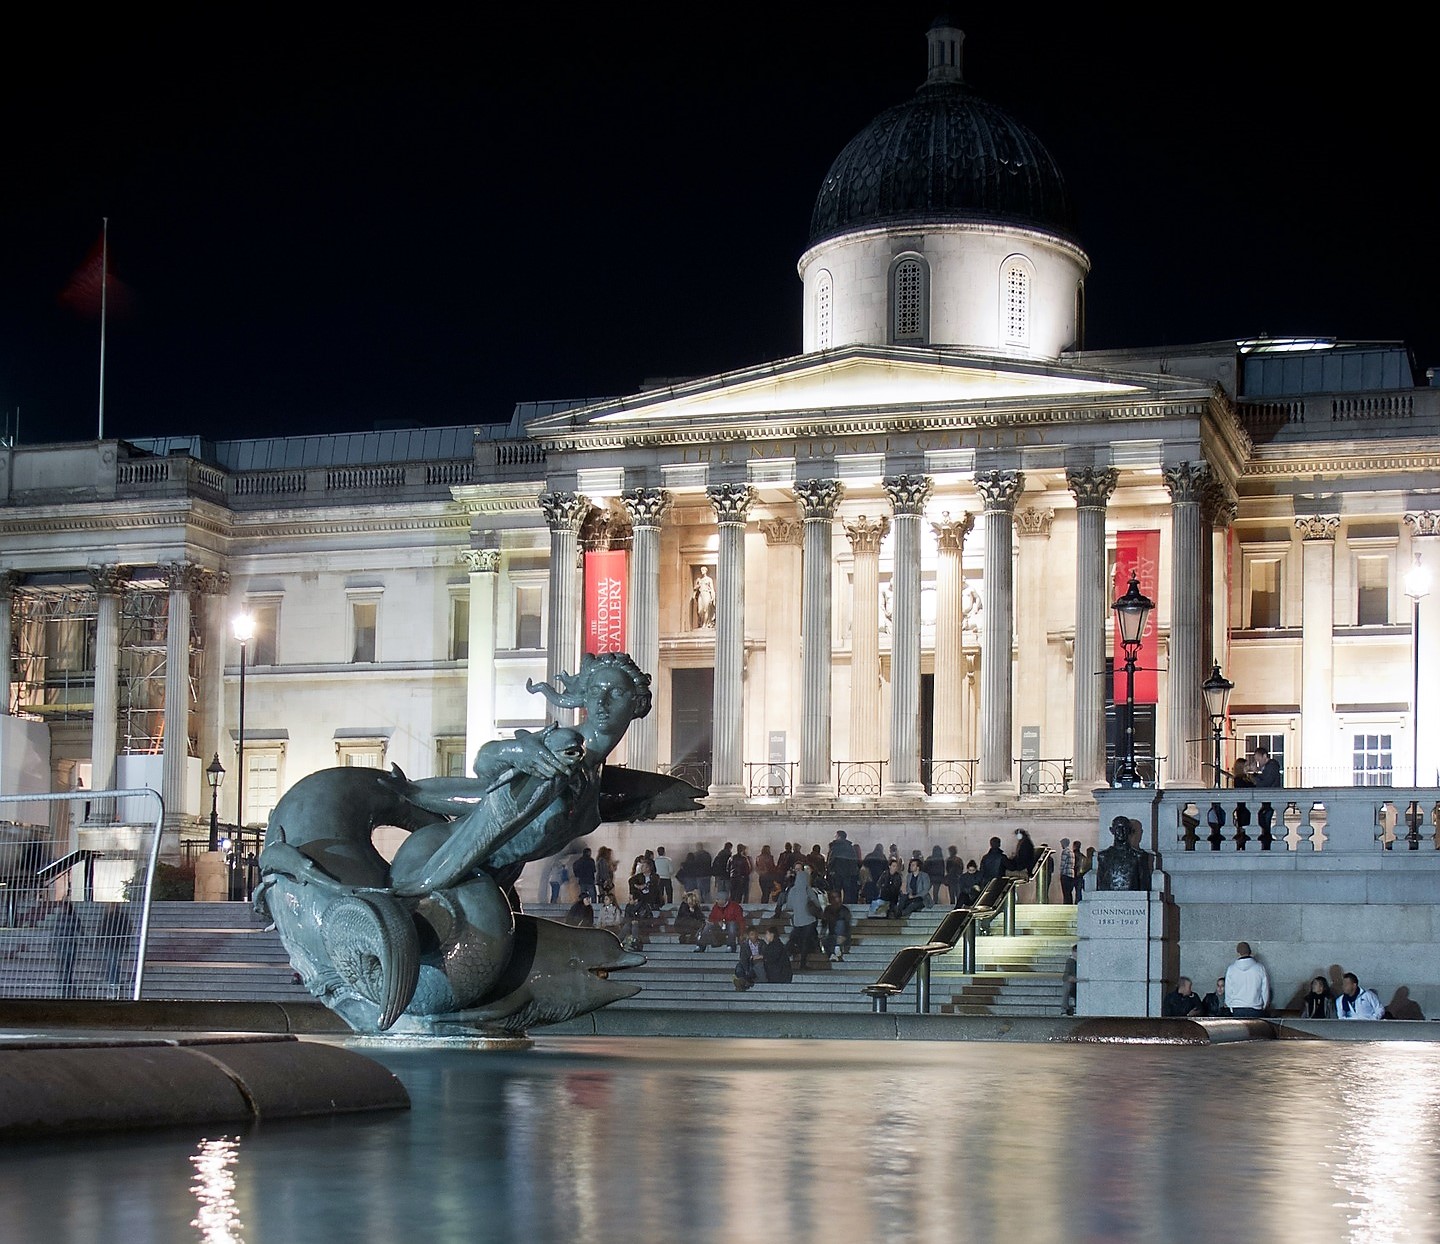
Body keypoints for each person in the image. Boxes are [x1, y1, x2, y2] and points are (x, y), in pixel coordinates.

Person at [781, 864, 821, 968]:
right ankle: (803, 962)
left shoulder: (793, 890)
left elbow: (789, 905)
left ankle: (783, 958)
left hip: (797, 921)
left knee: (793, 939)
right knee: (806, 941)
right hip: (809, 920)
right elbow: (816, 904)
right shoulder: (808, 890)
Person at [1224, 941, 1270, 1017]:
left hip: (1237, 1008)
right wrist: (1264, 1005)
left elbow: (1228, 991)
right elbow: (1265, 990)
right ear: (1250, 951)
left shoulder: (1231, 969)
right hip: (1255, 1007)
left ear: (1238, 952)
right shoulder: (1259, 968)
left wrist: (1230, 1006)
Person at [98, 902, 131, 991]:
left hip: (114, 943)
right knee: (113, 963)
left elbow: (102, 930)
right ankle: (113, 981)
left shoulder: (113, 917)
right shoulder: (111, 917)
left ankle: (113, 982)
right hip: (113, 943)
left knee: (112, 963)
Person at [52, 901, 81, 994]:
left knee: (67, 964)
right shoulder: (63, 918)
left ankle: (66, 981)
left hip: (69, 944)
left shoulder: (71, 918)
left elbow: (79, 930)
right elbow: (56, 932)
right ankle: (66, 981)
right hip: (65, 944)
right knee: (65, 964)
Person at [819, 891, 852, 962]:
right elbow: (824, 924)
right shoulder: (828, 909)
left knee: (841, 923)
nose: (834, 900)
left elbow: (847, 928)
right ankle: (832, 954)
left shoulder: (844, 910)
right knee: (826, 940)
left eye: (836, 897)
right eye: (832, 898)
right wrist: (822, 935)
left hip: (843, 937)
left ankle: (837, 948)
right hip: (832, 936)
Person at [827, 831, 860, 903]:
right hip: (848, 874)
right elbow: (854, 861)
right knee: (847, 892)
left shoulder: (835, 846)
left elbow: (831, 860)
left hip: (836, 873)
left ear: (839, 837)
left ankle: (836, 906)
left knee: (836, 891)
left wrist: (829, 870)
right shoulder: (850, 847)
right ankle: (846, 908)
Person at [1058, 838, 1075, 904]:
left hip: (1065, 874)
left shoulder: (1065, 852)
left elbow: (1063, 864)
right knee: (1069, 892)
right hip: (1071, 874)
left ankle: (1066, 904)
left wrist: (1060, 873)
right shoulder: (1071, 852)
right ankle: (1070, 904)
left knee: (1065, 893)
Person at [1062, 944, 1077, 1016]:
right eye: (1074, 952)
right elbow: (1065, 976)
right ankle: (1064, 1008)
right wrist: (1070, 978)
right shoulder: (1070, 961)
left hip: (1080, 983)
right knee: (1067, 984)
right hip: (1073, 985)